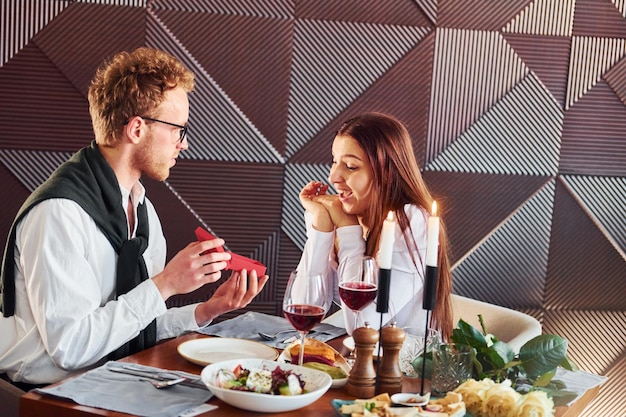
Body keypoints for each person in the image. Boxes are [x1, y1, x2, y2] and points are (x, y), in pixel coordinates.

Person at [0, 47, 269, 387]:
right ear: (137, 129)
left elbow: (133, 325)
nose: (182, 144)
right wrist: (166, 284)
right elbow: (70, 348)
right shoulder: (59, 214)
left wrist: (205, 311)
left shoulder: (141, 209)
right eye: (178, 130)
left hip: (114, 380)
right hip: (47, 395)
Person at [296, 112, 453, 340]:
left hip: (405, 369)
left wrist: (348, 231)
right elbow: (304, 308)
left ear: (387, 173)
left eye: (350, 166)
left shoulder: (411, 220)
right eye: (334, 161)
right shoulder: (349, 214)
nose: (333, 176)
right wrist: (320, 227)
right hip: (360, 362)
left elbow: (363, 325)